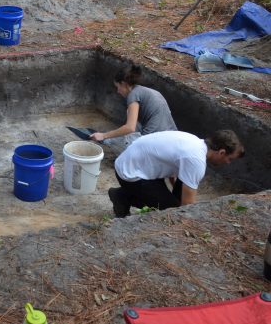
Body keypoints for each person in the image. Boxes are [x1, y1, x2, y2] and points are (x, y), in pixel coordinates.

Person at [108, 129, 244, 217]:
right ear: (221, 152)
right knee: (171, 210)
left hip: (135, 164)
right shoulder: (196, 160)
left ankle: (124, 194)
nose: (227, 163)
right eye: (229, 159)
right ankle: (121, 196)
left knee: (174, 202)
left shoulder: (194, 141)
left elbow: (175, 174)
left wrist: (174, 197)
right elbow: (188, 206)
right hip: (129, 173)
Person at [89, 65, 176, 145]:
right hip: (172, 135)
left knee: (125, 153)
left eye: (117, 87)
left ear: (123, 84)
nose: (118, 91)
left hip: (157, 140)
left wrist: (104, 136)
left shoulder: (133, 95)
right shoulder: (144, 91)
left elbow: (130, 128)